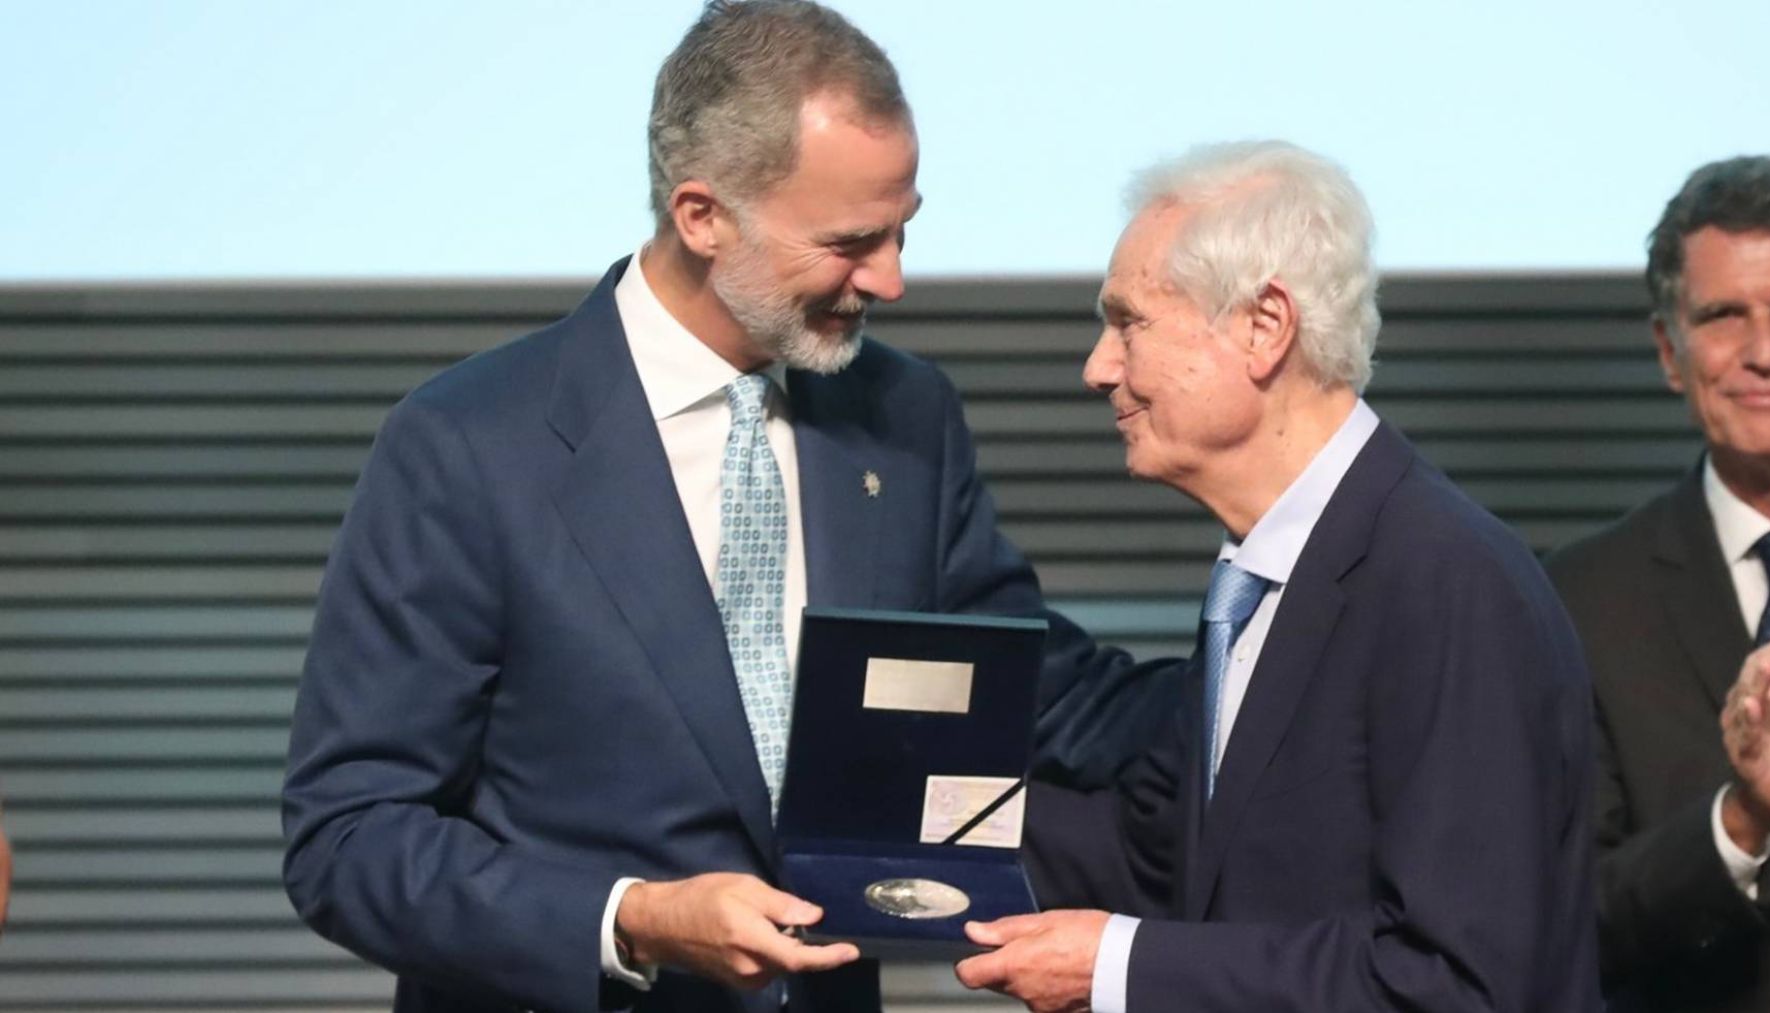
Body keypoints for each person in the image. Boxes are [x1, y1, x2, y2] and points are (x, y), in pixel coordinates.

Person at [279, 3, 1173, 1011]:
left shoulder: (906, 415)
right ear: (703, 216)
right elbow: (349, 837)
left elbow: (1029, 690)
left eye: (902, 230)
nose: (891, 278)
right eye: (851, 241)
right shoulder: (467, 447)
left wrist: (1269, 677)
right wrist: (631, 918)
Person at [953, 140, 1602, 1012]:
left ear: (1264, 327)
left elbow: (1455, 980)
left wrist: (1119, 968)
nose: (1097, 367)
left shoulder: (1446, 582)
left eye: (1128, 322)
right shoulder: (1262, 578)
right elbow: (1173, 856)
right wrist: (888, 816)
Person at [1546, 154, 1770, 1012]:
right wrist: (1739, 822)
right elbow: (1568, 916)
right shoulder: (1585, 600)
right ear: (1669, 350)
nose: (1766, 352)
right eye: (1725, 315)